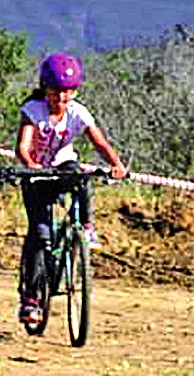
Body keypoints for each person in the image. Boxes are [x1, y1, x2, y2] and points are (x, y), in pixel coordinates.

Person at [13, 52, 127, 327]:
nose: (62, 98)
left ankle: (85, 225)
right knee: (40, 236)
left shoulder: (77, 112)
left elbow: (99, 142)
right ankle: (31, 297)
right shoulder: (33, 111)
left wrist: (116, 164)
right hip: (37, 176)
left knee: (79, 175)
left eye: (68, 92)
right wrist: (31, 164)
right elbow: (22, 147)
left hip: (63, 166)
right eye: (56, 92)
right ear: (45, 89)